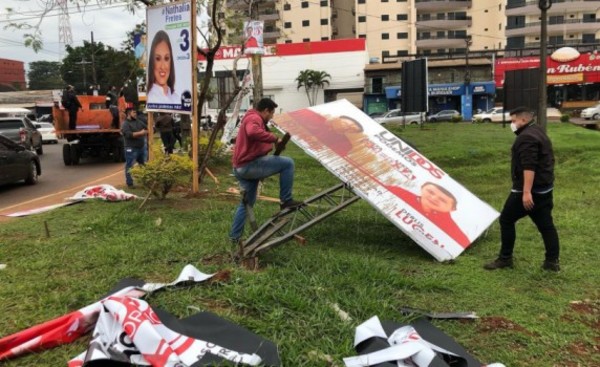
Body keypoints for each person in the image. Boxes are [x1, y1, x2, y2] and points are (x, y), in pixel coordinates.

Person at [484, 106, 560, 271]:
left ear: (523, 120)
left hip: (528, 191)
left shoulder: (526, 138)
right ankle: (552, 262)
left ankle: (505, 259)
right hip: (545, 188)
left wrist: (526, 192)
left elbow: (529, 166)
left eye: (514, 121)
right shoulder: (538, 131)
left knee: (506, 219)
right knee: (546, 225)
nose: (512, 124)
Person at [229, 98, 301, 243]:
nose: (272, 117)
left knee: (247, 204)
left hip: (240, 167)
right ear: (266, 111)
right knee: (288, 163)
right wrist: (274, 138)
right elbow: (252, 132)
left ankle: (234, 237)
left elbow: (256, 140)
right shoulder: (254, 118)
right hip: (248, 165)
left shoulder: (252, 118)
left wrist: (274, 145)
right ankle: (286, 200)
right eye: (271, 113)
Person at [385, 182, 470, 247]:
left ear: (452, 209)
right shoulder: (397, 193)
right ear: (422, 188)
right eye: (430, 192)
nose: (433, 198)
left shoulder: (454, 232)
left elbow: (462, 244)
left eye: (443, 200)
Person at [147, 30, 180, 104]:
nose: (162, 66)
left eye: (166, 58)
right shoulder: (150, 98)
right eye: (158, 59)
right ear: (152, 61)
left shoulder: (176, 98)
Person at [120, 105, 148, 188]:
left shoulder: (138, 121)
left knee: (143, 165)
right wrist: (141, 133)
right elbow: (129, 135)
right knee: (130, 165)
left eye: (135, 112)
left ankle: (146, 181)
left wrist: (146, 131)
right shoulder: (125, 124)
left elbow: (146, 128)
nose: (135, 114)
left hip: (141, 147)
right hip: (131, 148)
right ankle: (130, 183)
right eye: (134, 112)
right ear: (129, 114)